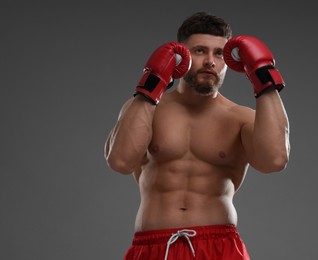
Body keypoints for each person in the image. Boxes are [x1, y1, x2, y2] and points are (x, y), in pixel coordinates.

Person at [104, 11, 290, 260]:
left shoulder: (240, 118)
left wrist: (263, 77)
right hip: (154, 247)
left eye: (219, 54)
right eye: (200, 51)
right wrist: (151, 84)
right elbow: (120, 161)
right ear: (180, 55)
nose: (210, 62)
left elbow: (275, 160)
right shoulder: (145, 108)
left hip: (219, 247)